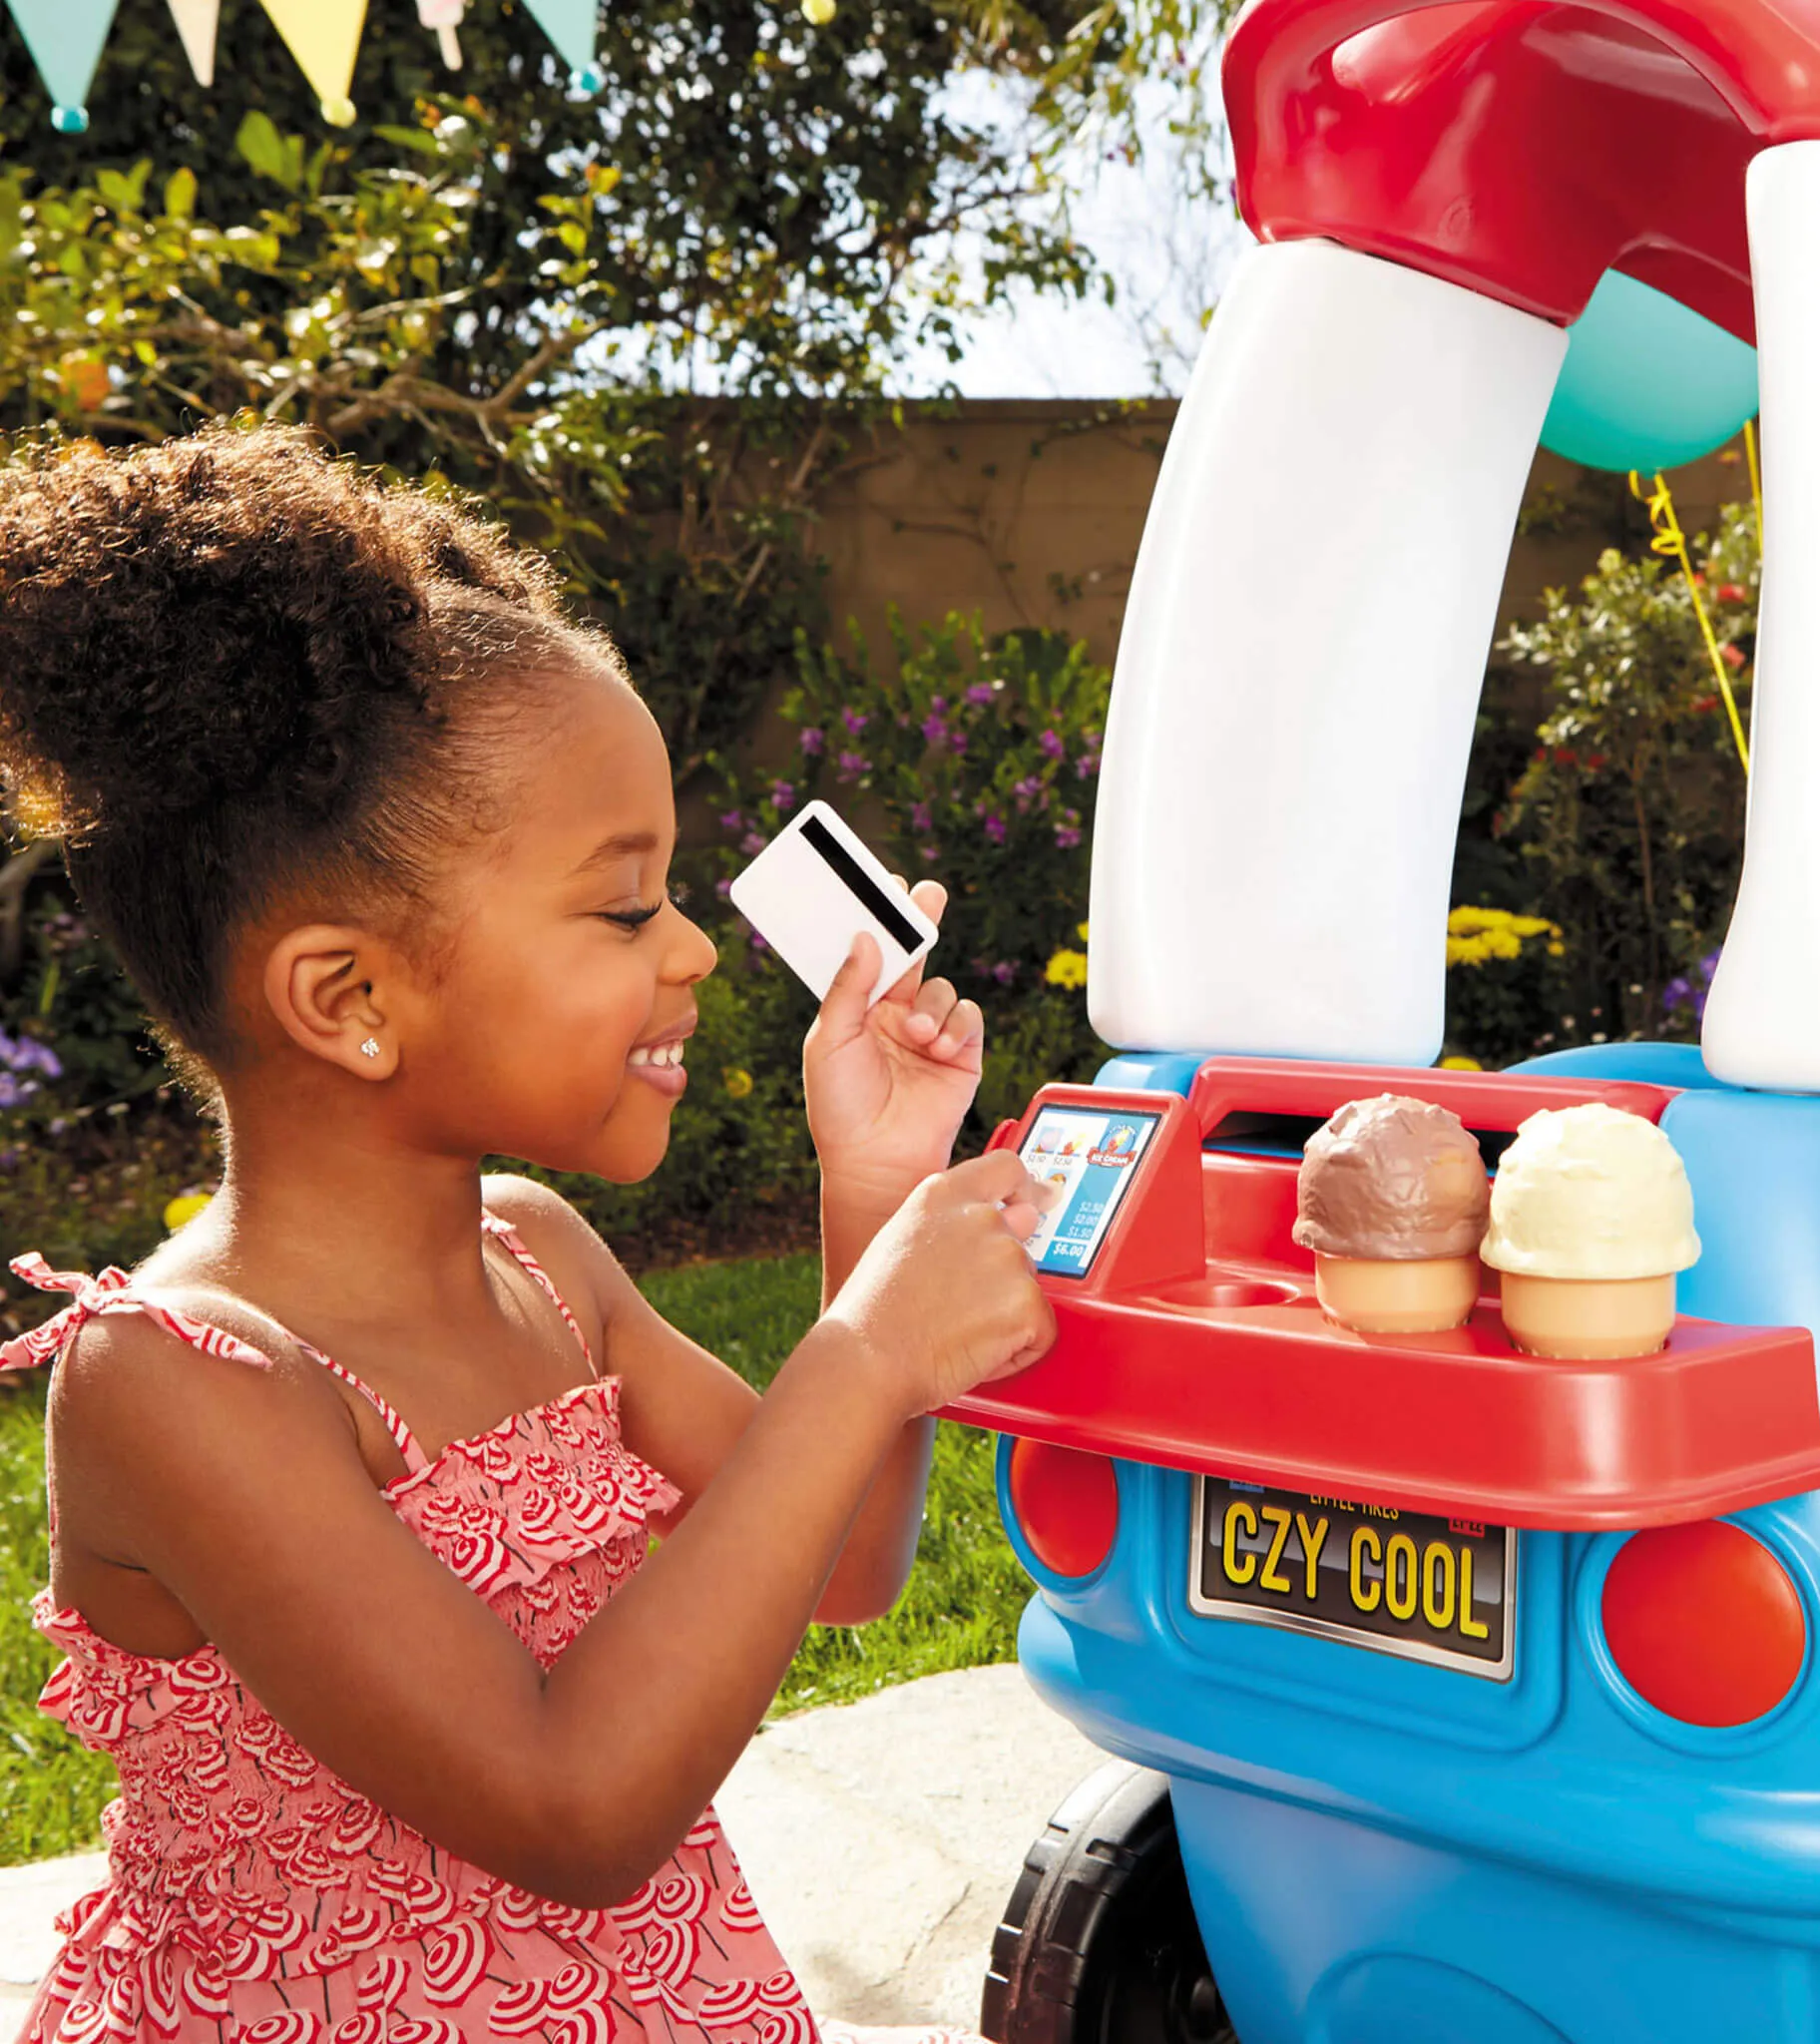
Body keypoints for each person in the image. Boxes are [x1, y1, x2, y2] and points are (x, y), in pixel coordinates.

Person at [0, 421, 1059, 2044]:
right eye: (625, 904)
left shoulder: (541, 1263)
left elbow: (841, 1560)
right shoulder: (182, 1381)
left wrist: (871, 1192)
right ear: (351, 999)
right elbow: (574, 1807)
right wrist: (863, 1357)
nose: (693, 948)